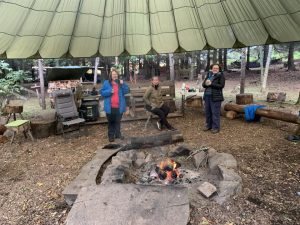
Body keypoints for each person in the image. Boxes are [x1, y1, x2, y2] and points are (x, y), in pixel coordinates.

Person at [100, 68, 130, 142]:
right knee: (111, 122)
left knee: (118, 121)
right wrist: (109, 91)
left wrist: (123, 84)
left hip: (119, 107)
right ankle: (111, 136)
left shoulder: (120, 83)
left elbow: (126, 91)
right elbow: (102, 92)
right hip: (110, 107)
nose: (115, 75)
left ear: (118, 75)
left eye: (116, 74)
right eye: (113, 74)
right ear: (111, 75)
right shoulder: (106, 83)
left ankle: (118, 134)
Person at [202, 64, 225, 133]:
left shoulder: (220, 75)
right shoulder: (209, 75)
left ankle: (215, 127)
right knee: (207, 112)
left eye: (217, 68)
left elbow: (221, 85)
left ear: (219, 69)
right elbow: (203, 85)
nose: (215, 69)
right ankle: (208, 125)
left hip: (216, 97)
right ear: (211, 69)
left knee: (215, 113)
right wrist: (206, 83)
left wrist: (211, 84)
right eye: (214, 68)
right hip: (207, 96)